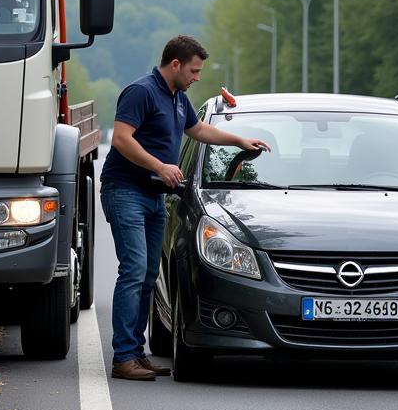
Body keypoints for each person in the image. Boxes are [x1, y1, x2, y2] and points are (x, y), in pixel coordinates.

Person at [100, 35, 271, 380]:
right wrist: (159, 166)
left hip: (153, 196)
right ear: (175, 64)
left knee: (149, 275)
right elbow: (121, 138)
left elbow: (197, 129)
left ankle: (136, 352)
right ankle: (123, 358)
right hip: (126, 191)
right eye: (194, 70)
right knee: (134, 270)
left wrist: (238, 139)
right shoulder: (142, 91)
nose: (198, 77)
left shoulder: (178, 98)